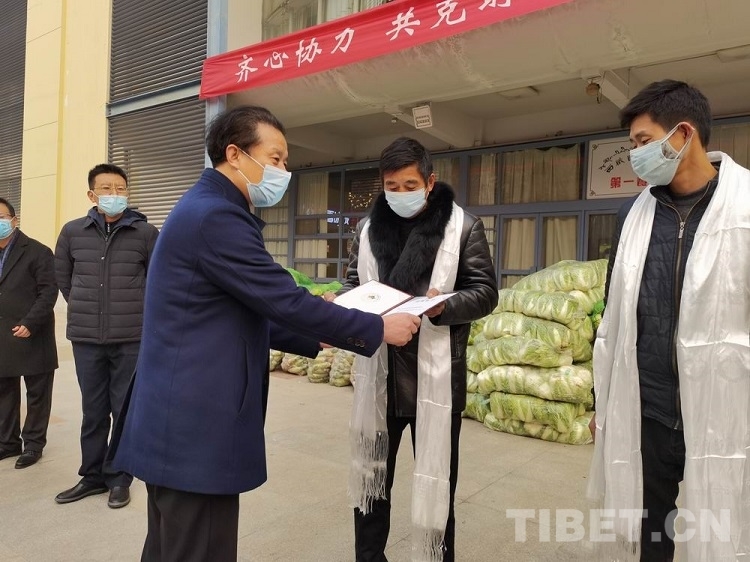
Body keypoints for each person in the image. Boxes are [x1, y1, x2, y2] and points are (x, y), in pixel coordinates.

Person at [111, 105, 421, 562]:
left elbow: (241, 307)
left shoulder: (205, 207)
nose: (283, 172)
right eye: (275, 159)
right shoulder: (216, 216)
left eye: (285, 161)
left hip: (178, 422)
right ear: (235, 154)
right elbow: (283, 298)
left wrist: (315, 335)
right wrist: (375, 326)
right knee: (200, 549)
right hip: (195, 428)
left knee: (171, 548)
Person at [588, 79, 750, 561]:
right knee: (651, 536)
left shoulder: (744, 207)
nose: (636, 155)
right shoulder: (633, 216)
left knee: (723, 527)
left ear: (683, 133)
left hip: (726, 411)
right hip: (649, 412)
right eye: (632, 145)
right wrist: (604, 401)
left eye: (643, 141)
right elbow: (613, 318)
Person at [334, 137, 498, 562]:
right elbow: (354, 282)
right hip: (379, 377)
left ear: (429, 181)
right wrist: (345, 302)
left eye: (410, 185)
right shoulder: (368, 229)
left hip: (435, 378)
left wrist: (445, 306)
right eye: (392, 186)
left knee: (437, 486)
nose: (400, 194)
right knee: (371, 486)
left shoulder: (463, 227)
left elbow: (485, 292)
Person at [54, 163, 158, 509]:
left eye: (120, 188)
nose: (115, 194)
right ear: (92, 194)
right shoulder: (72, 232)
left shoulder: (146, 233)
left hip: (131, 338)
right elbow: (64, 279)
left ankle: (119, 479)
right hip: (86, 338)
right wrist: (86, 307)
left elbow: (157, 280)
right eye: (107, 188)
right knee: (93, 411)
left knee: (123, 410)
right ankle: (92, 476)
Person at [0, 198, 58, 469]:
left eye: (2, 217)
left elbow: (48, 292)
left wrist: (31, 322)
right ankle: (8, 443)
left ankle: (33, 445)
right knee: (5, 393)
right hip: (3, 336)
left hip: (33, 334)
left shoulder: (38, 251)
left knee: (37, 394)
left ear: (14, 219)